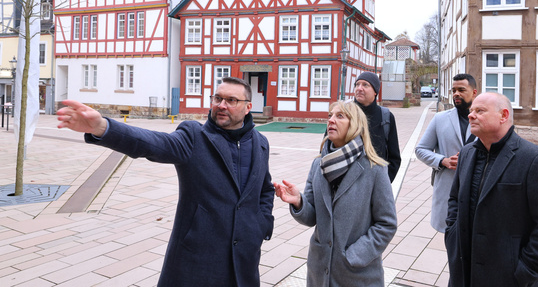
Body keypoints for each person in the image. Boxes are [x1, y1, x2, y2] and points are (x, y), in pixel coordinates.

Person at [56, 77, 274, 287]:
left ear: (247, 107)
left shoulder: (260, 143)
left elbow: (265, 189)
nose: (221, 105)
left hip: (244, 261)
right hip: (198, 258)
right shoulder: (194, 137)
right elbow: (153, 144)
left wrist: (261, 225)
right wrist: (103, 127)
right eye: (217, 98)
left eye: (231, 100)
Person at [446, 93, 538, 287]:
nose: (471, 115)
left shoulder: (536, 160)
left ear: (503, 115)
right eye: (471, 111)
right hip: (464, 274)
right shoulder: (467, 153)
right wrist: (452, 235)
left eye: (480, 111)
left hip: (510, 279)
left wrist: (526, 272)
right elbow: (454, 199)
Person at [274, 100, 397, 286]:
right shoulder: (318, 164)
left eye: (339, 116)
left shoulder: (375, 169)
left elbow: (386, 224)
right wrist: (299, 201)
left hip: (357, 275)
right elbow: (311, 216)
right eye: (330, 115)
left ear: (355, 124)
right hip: (319, 272)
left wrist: (355, 255)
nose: (331, 120)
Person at [415, 73, 477, 233]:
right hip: (448, 190)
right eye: (454, 90)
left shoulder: (484, 119)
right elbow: (420, 149)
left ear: (474, 92)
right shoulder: (440, 119)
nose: (456, 94)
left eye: (461, 90)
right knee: (451, 237)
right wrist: (443, 161)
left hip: (477, 191)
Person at [353, 71, 401, 182]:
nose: (359, 88)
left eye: (365, 85)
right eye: (357, 84)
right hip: (346, 187)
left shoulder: (386, 117)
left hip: (375, 184)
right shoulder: (343, 114)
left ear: (375, 92)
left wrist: (383, 183)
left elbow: (394, 158)